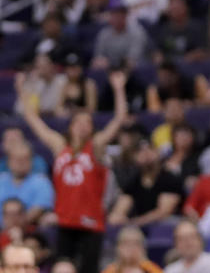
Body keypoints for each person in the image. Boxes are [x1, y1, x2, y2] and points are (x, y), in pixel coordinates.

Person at [17, 72, 127, 273]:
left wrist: (119, 89)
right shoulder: (60, 146)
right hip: (66, 221)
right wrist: (21, 90)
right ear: (71, 125)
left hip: (91, 223)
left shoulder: (95, 147)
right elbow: (32, 119)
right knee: (62, 267)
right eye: (80, 122)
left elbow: (119, 119)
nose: (84, 126)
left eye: (88, 123)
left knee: (88, 269)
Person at [0, 144, 53, 226]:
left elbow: (37, 211)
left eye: (25, 159)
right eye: (17, 159)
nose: (21, 163)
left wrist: (14, 227)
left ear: (32, 161)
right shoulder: (1, 179)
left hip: (28, 231)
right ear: (8, 162)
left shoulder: (41, 182)